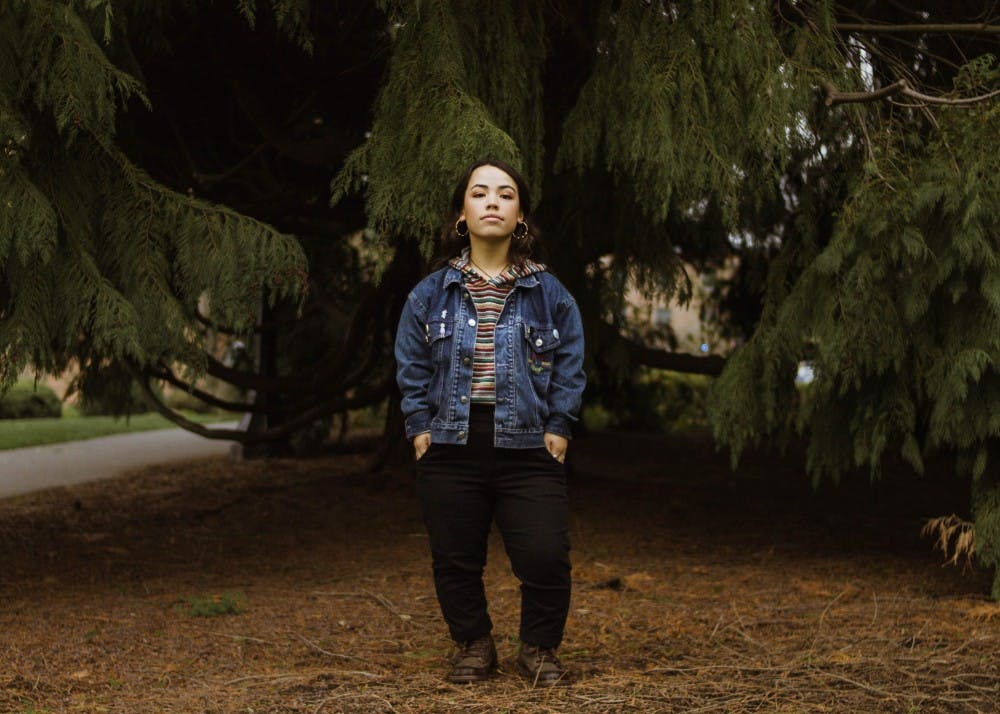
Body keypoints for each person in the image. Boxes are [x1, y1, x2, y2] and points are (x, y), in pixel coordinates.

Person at [394, 159, 586, 686]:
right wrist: (418, 427)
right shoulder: (429, 293)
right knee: (455, 558)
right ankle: (475, 646)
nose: (493, 202)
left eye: (505, 194)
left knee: (546, 555)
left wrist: (561, 425)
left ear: (520, 214)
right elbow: (411, 363)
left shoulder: (551, 294)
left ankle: (539, 649)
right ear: (463, 213)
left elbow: (570, 361)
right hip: (452, 442)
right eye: (480, 194)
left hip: (529, 445)